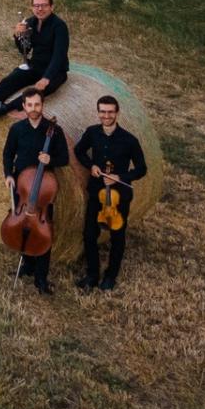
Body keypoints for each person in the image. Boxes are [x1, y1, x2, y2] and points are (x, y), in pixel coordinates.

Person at [75, 95, 148, 292]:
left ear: (117, 113)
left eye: (110, 112)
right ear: (98, 112)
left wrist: (120, 176)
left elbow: (142, 169)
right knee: (90, 234)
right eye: (103, 112)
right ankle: (92, 274)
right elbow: (78, 151)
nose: (106, 115)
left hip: (119, 196)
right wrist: (91, 166)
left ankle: (110, 276)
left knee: (117, 236)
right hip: (97, 192)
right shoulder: (92, 133)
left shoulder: (129, 140)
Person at [2, 88, 70, 293]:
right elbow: (7, 154)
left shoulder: (54, 130)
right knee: (23, 225)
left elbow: (65, 158)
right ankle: (27, 265)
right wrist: (8, 175)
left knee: (42, 232)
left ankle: (41, 278)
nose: (33, 109)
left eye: (37, 105)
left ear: (43, 105)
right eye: (29, 105)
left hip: (43, 190)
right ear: (23, 106)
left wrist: (51, 160)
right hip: (22, 187)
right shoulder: (16, 129)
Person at [0, 0, 70, 120]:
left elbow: (59, 55)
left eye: (44, 5)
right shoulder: (30, 22)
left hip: (56, 71)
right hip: (35, 66)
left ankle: (5, 108)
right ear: (32, 7)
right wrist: (17, 35)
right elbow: (24, 49)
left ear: (51, 7)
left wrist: (46, 78)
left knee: (37, 92)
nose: (40, 9)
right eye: (36, 6)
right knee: (9, 80)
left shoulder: (59, 26)